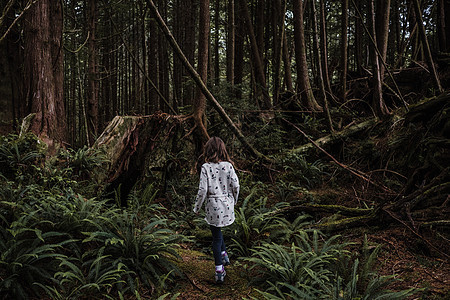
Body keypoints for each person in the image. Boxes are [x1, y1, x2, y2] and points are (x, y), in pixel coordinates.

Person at [193, 137, 240, 284]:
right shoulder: (229, 166)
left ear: (208, 150)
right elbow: (236, 186)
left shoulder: (206, 167)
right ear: (222, 150)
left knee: (216, 237)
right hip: (226, 203)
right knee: (218, 233)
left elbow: (202, 190)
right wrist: (233, 201)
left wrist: (197, 207)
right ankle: (224, 255)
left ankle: (219, 270)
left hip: (213, 205)